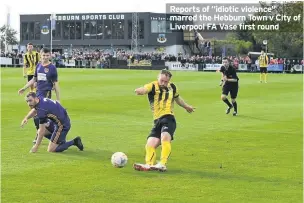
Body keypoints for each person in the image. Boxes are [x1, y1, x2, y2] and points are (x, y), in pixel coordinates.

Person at [133, 69, 195, 172]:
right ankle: (149, 164)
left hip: (169, 118)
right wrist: (139, 91)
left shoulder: (172, 87)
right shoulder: (152, 85)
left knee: (165, 138)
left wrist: (187, 107)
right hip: (157, 120)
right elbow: (145, 89)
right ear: (158, 77)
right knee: (150, 144)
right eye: (162, 80)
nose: (163, 83)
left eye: (166, 81)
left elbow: (177, 99)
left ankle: (162, 163)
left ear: (169, 81)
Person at [18, 48, 61, 143]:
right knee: (37, 116)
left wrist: (58, 99)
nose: (45, 57)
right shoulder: (38, 65)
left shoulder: (52, 68)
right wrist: (24, 88)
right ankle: (43, 132)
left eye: (47, 55)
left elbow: (56, 84)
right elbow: (34, 80)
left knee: (39, 115)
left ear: (49, 56)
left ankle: (41, 135)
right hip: (37, 93)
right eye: (43, 55)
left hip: (46, 94)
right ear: (40, 55)